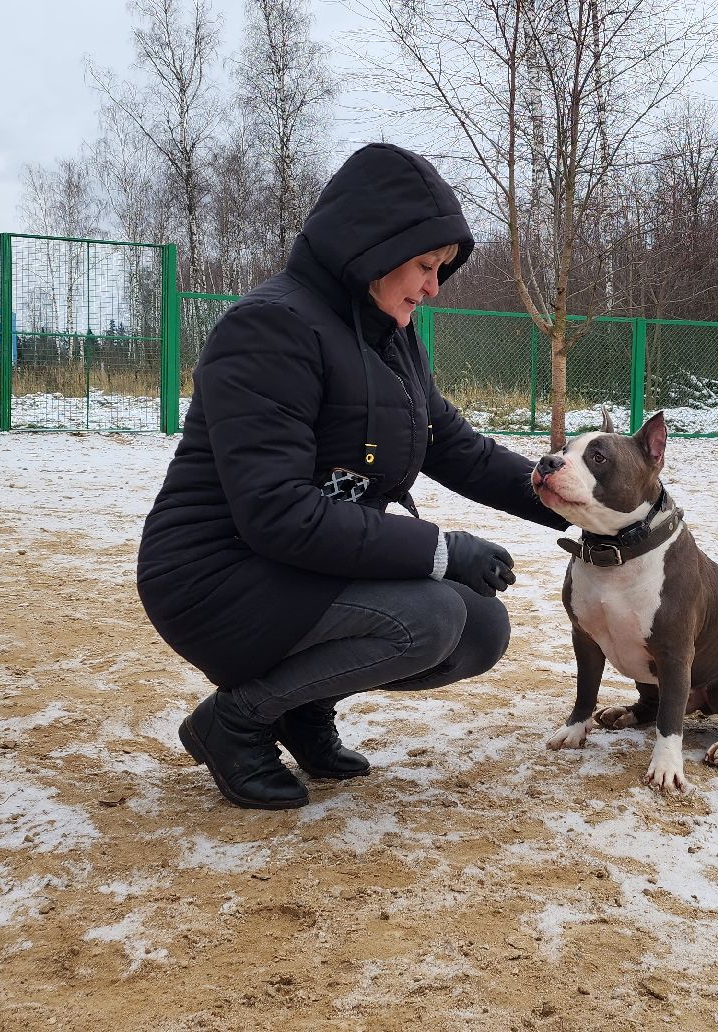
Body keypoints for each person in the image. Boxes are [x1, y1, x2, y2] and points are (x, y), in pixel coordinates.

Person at [137, 143, 567, 810]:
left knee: (482, 627)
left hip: (300, 568)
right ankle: (236, 721)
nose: (432, 287)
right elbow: (278, 511)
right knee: (430, 616)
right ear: (372, 248)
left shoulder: (389, 337)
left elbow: (453, 446)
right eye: (425, 266)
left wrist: (580, 501)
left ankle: (301, 709)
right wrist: (442, 551)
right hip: (214, 577)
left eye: (440, 271)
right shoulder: (270, 328)